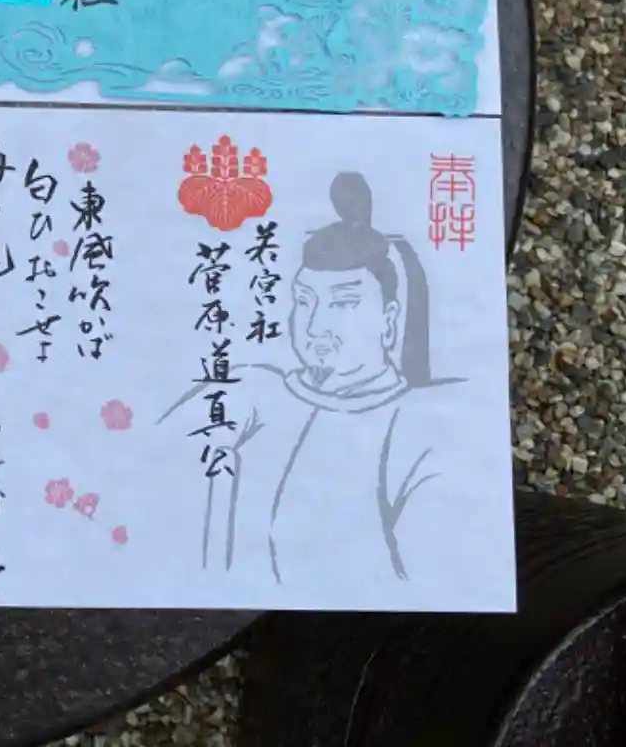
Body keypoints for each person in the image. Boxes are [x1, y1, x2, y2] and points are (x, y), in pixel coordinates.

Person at [165, 172, 473, 589]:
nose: (315, 327)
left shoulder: (420, 424)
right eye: (304, 301)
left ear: (389, 321)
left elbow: (434, 583)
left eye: (343, 304)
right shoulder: (254, 392)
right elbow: (146, 469)